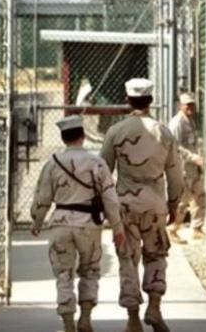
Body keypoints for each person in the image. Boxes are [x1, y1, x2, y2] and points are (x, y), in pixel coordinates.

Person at [100, 78, 184, 332]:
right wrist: (173, 204)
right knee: (156, 255)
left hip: (125, 206)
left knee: (127, 258)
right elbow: (175, 174)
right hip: (155, 204)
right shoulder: (163, 132)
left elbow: (104, 173)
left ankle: (133, 318)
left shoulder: (116, 131)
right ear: (151, 100)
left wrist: (104, 207)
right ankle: (154, 307)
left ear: (127, 100)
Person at [31, 115, 125, 332]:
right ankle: (85, 318)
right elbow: (110, 199)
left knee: (64, 275)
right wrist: (117, 227)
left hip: (61, 224)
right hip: (88, 225)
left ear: (63, 138)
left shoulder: (53, 163)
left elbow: (43, 198)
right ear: (83, 136)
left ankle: (67, 323)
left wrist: (37, 222)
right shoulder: (97, 163)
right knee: (90, 270)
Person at [168, 92, 206, 244]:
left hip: (192, 168)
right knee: (182, 201)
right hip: (182, 168)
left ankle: (197, 228)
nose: (190, 107)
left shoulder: (190, 120)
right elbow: (175, 146)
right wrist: (193, 157)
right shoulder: (177, 123)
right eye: (187, 105)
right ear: (180, 106)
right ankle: (172, 229)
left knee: (200, 196)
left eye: (192, 104)